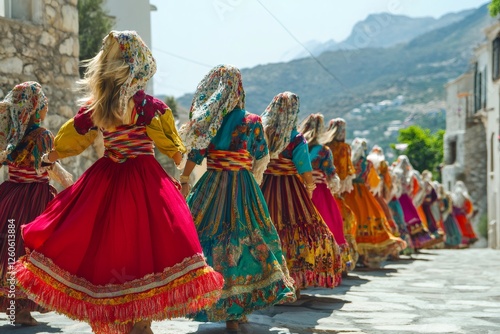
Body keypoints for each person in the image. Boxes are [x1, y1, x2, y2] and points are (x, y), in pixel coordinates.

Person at [14, 31, 224, 334]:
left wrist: (52, 155)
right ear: (137, 64)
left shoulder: (96, 107)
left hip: (107, 179)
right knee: (146, 247)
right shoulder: (147, 106)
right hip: (144, 180)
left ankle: (121, 319)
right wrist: (184, 170)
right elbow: (172, 145)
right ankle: (142, 324)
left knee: (108, 246)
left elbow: (73, 140)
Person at [179, 65, 295, 331]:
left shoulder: (209, 122)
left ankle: (213, 301)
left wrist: (185, 180)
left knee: (206, 237)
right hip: (242, 185)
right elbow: (261, 154)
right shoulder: (253, 121)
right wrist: (251, 174)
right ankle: (238, 312)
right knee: (248, 238)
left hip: (212, 185)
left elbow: (195, 154)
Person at [0, 82, 72, 326]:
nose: (46, 109)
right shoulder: (42, 136)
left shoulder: (11, 134)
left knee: (11, 249)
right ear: (35, 108)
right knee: (29, 251)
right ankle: (21, 310)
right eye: (44, 104)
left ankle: (16, 307)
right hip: (34, 200)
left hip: (9, 195)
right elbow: (50, 167)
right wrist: (71, 186)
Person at [260, 92, 341, 293]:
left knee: (265, 226)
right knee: (301, 229)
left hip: (265, 185)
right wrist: (309, 188)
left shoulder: (263, 133)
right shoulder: (295, 138)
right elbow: (304, 167)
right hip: (290, 188)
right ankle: (294, 280)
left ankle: (265, 280)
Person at [298, 113, 350, 274]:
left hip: (297, 190)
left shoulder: (296, 145)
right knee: (328, 223)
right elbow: (331, 171)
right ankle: (325, 264)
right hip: (319, 191)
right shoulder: (323, 151)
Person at [343, 138, 405, 268]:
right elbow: (374, 183)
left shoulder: (350, 161)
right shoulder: (369, 164)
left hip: (349, 192)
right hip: (363, 193)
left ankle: (351, 256)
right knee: (367, 218)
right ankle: (363, 256)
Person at [323, 118, 359, 271]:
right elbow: (344, 174)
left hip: (321, 188)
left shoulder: (323, 146)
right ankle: (341, 262)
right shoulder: (344, 148)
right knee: (343, 221)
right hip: (335, 190)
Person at [393, 155, 436, 250]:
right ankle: (409, 246)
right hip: (406, 199)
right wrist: (415, 198)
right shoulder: (408, 174)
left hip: (401, 198)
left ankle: (407, 246)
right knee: (407, 220)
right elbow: (413, 188)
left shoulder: (399, 173)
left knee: (404, 220)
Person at [451, 181, 478, 246]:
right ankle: (462, 241)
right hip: (460, 215)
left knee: (463, 228)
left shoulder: (457, 196)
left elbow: (469, 206)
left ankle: (465, 241)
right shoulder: (464, 196)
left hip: (460, 216)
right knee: (462, 228)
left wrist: (468, 213)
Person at [436, 183, 463, 248]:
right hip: (443, 215)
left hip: (447, 215)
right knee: (447, 229)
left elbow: (446, 206)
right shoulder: (441, 197)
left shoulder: (445, 197)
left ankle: (452, 243)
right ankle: (447, 243)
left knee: (450, 229)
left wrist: (443, 211)